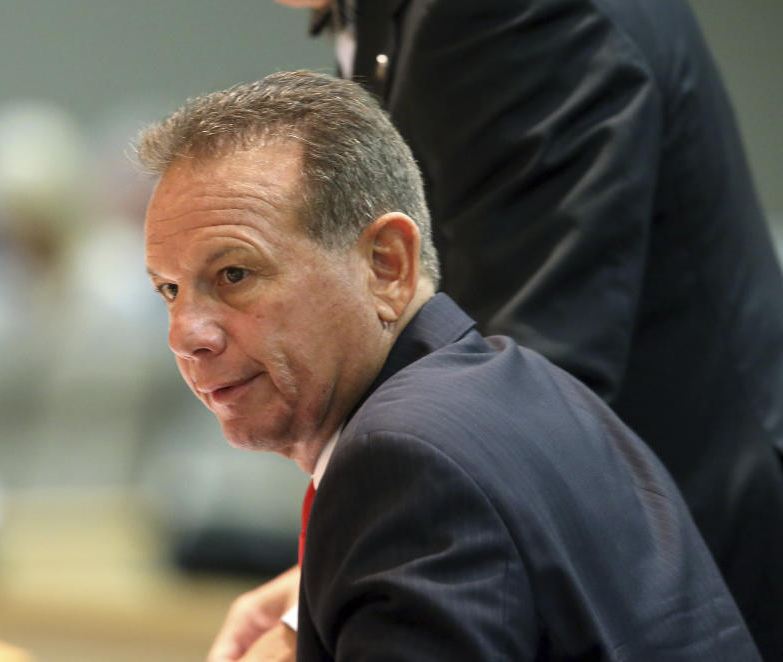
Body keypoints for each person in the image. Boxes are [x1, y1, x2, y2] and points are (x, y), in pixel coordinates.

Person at [138, 70, 760, 661]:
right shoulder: (529, 390)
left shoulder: (403, 463)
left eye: (234, 274)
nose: (186, 335)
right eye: (169, 290)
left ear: (387, 264)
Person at [270, 1, 783, 658]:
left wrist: (313, 612)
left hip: (684, 550)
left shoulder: (499, 11)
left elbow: (512, 401)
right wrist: (308, 590)